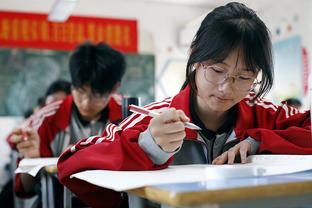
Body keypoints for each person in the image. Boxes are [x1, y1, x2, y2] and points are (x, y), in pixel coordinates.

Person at [57, 2, 312, 208]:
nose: (226, 88)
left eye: (244, 77)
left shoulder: (264, 114)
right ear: (194, 56)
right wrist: (148, 148)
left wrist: (258, 141)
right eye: (217, 70)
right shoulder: (154, 119)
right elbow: (70, 164)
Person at [10, 42, 126, 205]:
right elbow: (25, 190)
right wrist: (31, 159)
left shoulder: (128, 115)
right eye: (80, 91)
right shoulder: (47, 119)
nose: (86, 103)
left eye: (97, 94)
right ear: (72, 84)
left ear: (114, 88)